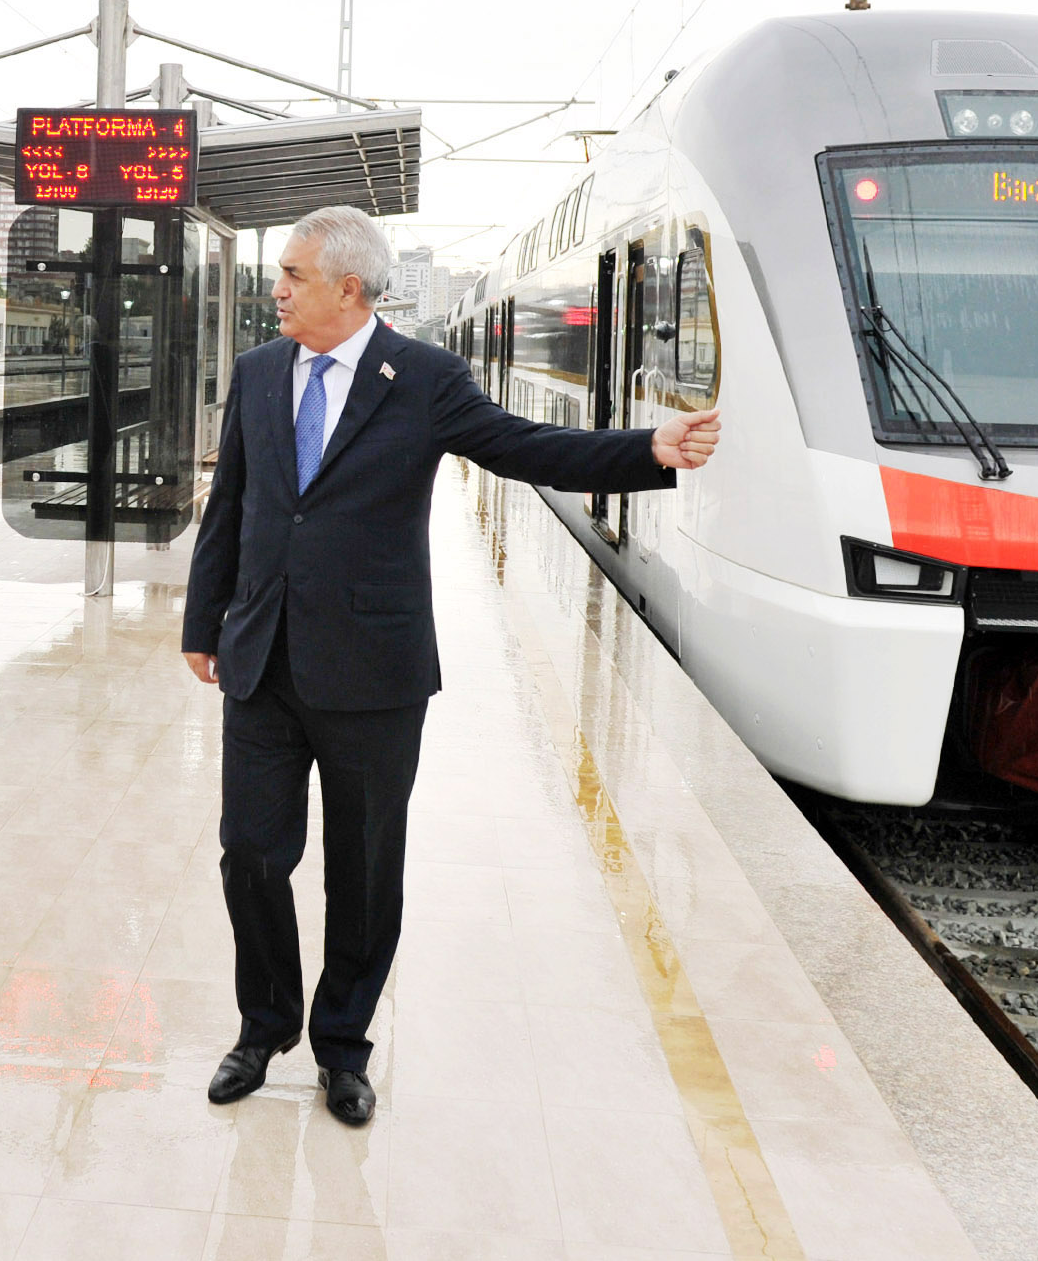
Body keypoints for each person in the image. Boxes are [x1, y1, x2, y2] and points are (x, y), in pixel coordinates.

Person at [182, 205, 720, 1126]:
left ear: (348, 288)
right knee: (250, 857)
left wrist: (647, 449)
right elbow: (231, 504)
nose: (276, 290)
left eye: (294, 275)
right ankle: (263, 1022)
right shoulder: (259, 372)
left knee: (364, 872)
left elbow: (523, 446)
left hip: (373, 674)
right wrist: (204, 623)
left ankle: (342, 1046)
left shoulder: (424, 379)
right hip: (262, 661)